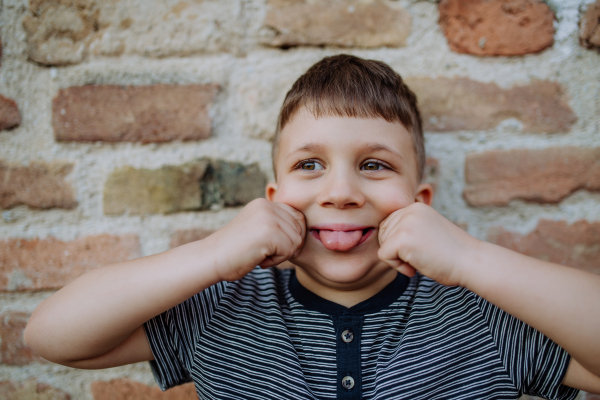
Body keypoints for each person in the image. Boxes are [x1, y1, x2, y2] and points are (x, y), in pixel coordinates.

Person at [25, 55, 600, 399]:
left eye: (374, 165)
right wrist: (216, 254)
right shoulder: (221, 307)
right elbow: (51, 336)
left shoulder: (483, 314)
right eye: (309, 165)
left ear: (420, 203)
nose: (342, 192)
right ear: (273, 202)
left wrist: (472, 258)